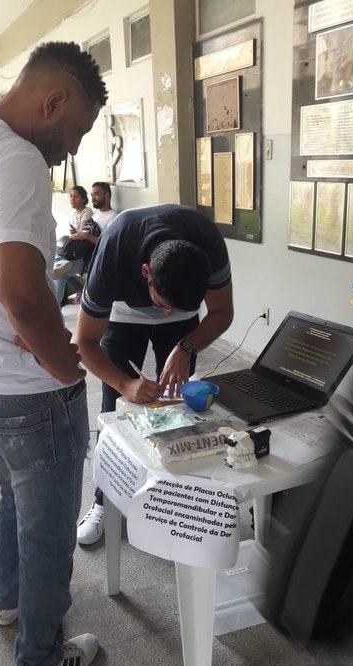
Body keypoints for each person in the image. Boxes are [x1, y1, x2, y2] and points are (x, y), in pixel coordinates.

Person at [0, 41, 108, 666]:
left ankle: (8, 602)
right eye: (77, 131)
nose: (71, 151)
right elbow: (21, 294)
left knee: (12, 499)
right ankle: (38, 665)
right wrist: (67, 368)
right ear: (54, 101)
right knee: (47, 533)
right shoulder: (15, 158)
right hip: (25, 398)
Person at [74, 203, 234, 545]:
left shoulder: (208, 243)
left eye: (175, 307)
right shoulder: (113, 254)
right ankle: (104, 501)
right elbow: (83, 342)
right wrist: (124, 383)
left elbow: (222, 312)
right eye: (162, 304)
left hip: (182, 328)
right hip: (122, 316)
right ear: (146, 272)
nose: (164, 313)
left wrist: (187, 346)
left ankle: (174, 498)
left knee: (179, 406)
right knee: (114, 408)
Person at [66, 180, 118, 304]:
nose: (93, 198)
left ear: (107, 196)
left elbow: (108, 243)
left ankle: (60, 303)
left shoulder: (113, 217)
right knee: (59, 265)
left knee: (60, 272)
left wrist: (86, 236)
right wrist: (77, 233)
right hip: (87, 255)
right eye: (92, 194)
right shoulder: (95, 215)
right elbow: (88, 233)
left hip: (96, 259)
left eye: (96, 194)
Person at [53, 185, 94, 305]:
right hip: (75, 250)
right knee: (57, 266)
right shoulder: (74, 214)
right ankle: (77, 289)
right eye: (70, 196)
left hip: (83, 254)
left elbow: (82, 234)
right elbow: (78, 234)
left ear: (83, 199)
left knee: (59, 273)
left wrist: (76, 234)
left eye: (76, 196)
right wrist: (74, 233)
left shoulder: (87, 212)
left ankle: (57, 304)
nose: (72, 199)